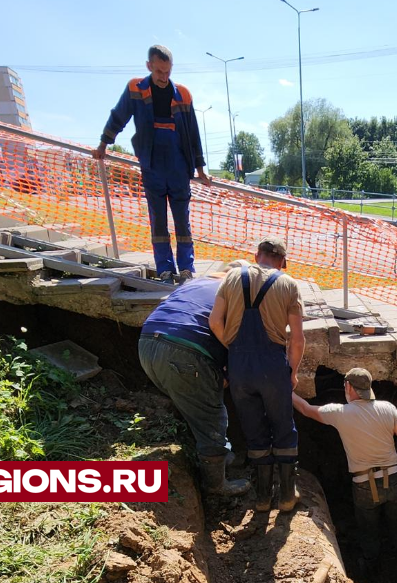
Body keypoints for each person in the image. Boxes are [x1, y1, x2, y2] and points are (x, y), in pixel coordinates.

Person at [92, 45, 211, 284]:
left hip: (178, 166)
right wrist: (104, 144)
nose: (164, 77)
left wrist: (200, 169)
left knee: (182, 219)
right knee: (158, 219)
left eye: (167, 72)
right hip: (152, 164)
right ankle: (165, 269)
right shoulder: (136, 88)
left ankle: (186, 269)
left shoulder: (184, 94)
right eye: (159, 71)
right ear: (149, 66)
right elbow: (119, 116)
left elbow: (193, 134)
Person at [209, 238, 305, 512]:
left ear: (256, 255)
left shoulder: (230, 279)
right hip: (273, 365)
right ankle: (287, 496)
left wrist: (235, 349)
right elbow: (297, 340)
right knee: (284, 428)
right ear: (282, 262)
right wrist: (293, 372)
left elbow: (215, 322)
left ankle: (263, 498)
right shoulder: (288, 284)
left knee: (254, 430)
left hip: (239, 366)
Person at [139, 264, 250, 497]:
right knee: (211, 415)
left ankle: (220, 454)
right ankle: (216, 486)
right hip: (185, 352)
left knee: (198, 403)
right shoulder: (233, 290)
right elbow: (237, 339)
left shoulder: (194, 283)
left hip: (147, 344)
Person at [292, 368, 397, 574]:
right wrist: (396, 458)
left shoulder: (340, 413)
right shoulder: (388, 408)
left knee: (368, 530)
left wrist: (288, 390)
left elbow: (305, 409)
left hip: (365, 484)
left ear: (348, 386)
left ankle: (370, 567)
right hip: (393, 478)